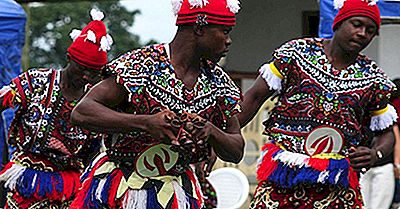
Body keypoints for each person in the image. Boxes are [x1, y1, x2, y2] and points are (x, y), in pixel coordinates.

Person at [69, 0, 244, 208]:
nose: (229, 41)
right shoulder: (142, 65)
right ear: (198, 28)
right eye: (224, 31)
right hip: (120, 189)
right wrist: (145, 123)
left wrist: (210, 131)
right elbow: (82, 112)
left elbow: (236, 149)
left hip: (177, 192)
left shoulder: (219, 84)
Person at [237, 0, 398, 208]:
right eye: (356, 24)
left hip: (336, 185)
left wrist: (375, 154)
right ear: (338, 23)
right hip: (283, 176)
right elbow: (254, 98)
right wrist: (225, 134)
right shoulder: (296, 54)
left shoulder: (373, 79)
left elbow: (387, 133)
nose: (362, 33)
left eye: (370, 30)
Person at [0, 9, 113, 209]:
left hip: (71, 186)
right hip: (26, 180)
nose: (86, 76)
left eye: (93, 72)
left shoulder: (96, 101)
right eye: (82, 68)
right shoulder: (37, 81)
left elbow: (97, 149)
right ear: (70, 58)